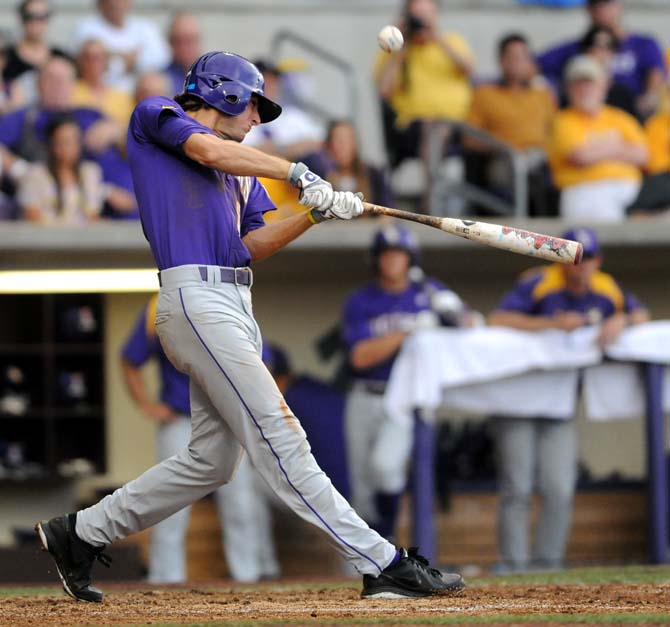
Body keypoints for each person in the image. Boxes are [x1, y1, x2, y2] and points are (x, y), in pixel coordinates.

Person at [35, 51, 464, 603]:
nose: (258, 118)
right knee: (282, 437)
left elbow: (249, 247)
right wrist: (296, 171)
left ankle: (80, 534)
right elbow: (206, 148)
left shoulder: (240, 172)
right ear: (224, 92)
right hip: (194, 298)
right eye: (255, 104)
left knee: (211, 463)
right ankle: (380, 560)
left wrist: (314, 213)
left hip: (235, 301)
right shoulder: (157, 113)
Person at [487, 226, 650, 573]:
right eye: (572, 256)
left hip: (559, 401)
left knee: (560, 486)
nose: (580, 265)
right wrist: (550, 324)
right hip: (518, 398)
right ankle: (513, 566)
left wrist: (622, 319)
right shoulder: (538, 281)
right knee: (518, 485)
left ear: (597, 260)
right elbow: (498, 319)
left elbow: (641, 314)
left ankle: (548, 566)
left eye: (586, 257)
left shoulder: (607, 287)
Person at [121, 296, 279, 584]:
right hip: (181, 417)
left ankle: (248, 577)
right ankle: (165, 580)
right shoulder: (160, 304)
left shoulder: (230, 298)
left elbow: (263, 363)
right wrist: (147, 405)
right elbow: (130, 359)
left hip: (226, 417)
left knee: (240, 501)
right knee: (170, 501)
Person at [342, 223, 472, 541]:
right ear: (375, 259)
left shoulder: (428, 291)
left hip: (403, 400)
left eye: (398, 254)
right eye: (385, 254)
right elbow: (360, 357)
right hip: (364, 395)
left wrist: (448, 316)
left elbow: (470, 322)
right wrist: (408, 330)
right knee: (361, 487)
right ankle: (369, 563)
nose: (392, 260)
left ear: (410, 258)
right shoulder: (361, 300)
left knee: (386, 469)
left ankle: (387, 545)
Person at [548, 55, 648, 222]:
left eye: (590, 82)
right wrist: (618, 147)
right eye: (578, 84)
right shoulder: (562, 120)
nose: (585, 89)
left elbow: (642, 156)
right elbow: (580, 156)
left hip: (631, 190)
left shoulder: (621, 117)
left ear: (603, 85)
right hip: (585, 189)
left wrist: (600, 150)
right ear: (568, 89)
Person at [374, 0, 474, 168]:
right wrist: (400, 46)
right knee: (434, 130)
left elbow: (468, 69)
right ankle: (434, 193)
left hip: (459, 123)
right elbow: (384, 91)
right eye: (417, 16)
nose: (422, 21)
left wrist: (437, 38)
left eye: (427, 14)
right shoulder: (395, 49)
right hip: (413, 127)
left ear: (436, 16)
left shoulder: (452, 40)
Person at [466, 33, 556, 215]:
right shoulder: (485, 94)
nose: (517, 62)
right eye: (512, 57)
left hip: (540, 158)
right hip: (504, 157)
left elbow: (554, 132)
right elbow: (470, 139)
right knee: (516, 167)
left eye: (523, 57)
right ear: (502, 61)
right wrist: (506, 148)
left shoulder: (543, 94)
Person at [538, 0, 666, 120]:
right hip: (584, 118)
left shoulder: (643, 44)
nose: (602, 10)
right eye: (597, 5)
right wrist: (549, 87)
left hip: (631, 113)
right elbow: (531, 64)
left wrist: (650, 95)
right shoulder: (574, 49)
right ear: (588, 8)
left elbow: (655, 70)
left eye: (607, 3)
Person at [261, 342, 350, 500]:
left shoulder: (285, 404)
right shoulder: (313, 388)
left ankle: (247, 527)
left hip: (329, 497)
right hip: (358, 492)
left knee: (240, 465)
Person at [17, 114, 115, 224]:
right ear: (51, 144)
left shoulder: (90, 172)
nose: (70, 147)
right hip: (46, 239)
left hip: (83, 239)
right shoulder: (35, 175)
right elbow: (33, 217)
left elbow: (92, 216)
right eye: (64, 141)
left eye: (74, 141)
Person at [73, 0, 170, 93]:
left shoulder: (146, 28)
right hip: (103, 95)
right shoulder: (86, 28)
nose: (115, 3)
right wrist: (128, 58)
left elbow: (162, 58)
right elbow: (90, 64)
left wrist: (133, 60)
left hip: (141, 95)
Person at [2, 0, 70, 110]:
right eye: (29, 16)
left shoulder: (61, 56)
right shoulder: (6, 56)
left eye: (41, 17)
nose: (35, 22)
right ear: (21, 18)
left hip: (55, 118)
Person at [315, 120, 394, 209]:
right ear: (329, 144)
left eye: (348, 139)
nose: (343, 145)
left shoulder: (372, 174)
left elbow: (387, 211)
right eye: (338, 139)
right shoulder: (318, 176)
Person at [72, 39, 134, 129]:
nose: (92, 63)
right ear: (80, 61)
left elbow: (131, 128)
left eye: (97, 58)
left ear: (106, 61)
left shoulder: (122, 97)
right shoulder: (69, 90)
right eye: (87, 58)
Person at [163, 12, 202, 97]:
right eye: (178, 41)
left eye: (190, 40)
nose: (184, 47)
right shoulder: (160, 81)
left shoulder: (214, 79)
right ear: (170, 42)